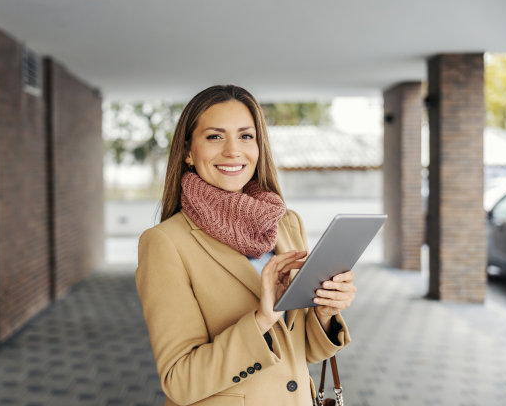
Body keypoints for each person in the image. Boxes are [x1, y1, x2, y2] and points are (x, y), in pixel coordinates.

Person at [136, 85, 356, 406]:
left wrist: (325, 312)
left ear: (259, 145)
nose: (233, 151)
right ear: (187, 151)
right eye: (214, 137)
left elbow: (300, 352)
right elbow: (179, 381)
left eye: (245, 136)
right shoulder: (165, 243)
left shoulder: (286, 223)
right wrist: (261, 320)